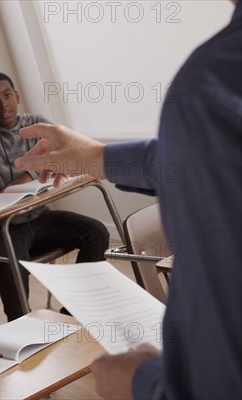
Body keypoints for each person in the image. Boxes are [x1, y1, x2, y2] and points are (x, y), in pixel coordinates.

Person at [14, 1, 242, 398]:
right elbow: (202, 158)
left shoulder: (213, 82)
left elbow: (220, 377)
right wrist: (96, 158)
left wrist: (141, 383)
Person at [0, 22, 110, 321]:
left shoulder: (35, 123)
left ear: (17, 96)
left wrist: (29, 176)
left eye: (7, 95)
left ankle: (71, 314)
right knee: (13, 258)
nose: (2, 104)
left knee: (96, 233)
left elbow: (61, 156)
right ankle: (20, 326)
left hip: (38, 218)